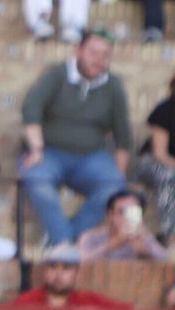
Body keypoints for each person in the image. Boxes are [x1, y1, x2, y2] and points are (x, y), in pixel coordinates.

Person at [19, 32, 131, 246]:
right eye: (93, 52)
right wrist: (36, 149)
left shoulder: (113, 85)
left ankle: (64, 239)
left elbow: (122, 133)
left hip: (91, 156)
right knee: (36, 179)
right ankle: (64, 242)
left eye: (105, 54)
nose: (98, 59)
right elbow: (31, 108)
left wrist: (120, 174)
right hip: (49, 152)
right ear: (78, 50)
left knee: (114, 186)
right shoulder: (57, 74)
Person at [10, 243, 133, 310]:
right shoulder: (26, 301)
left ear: (77, 273)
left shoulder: (90, 301)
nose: (58, 274)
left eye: (66, 268)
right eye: (53, 267)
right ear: (45, 271)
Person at [135, 74, 175, 238]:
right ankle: (170, 235)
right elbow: (160, 153)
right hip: (153, 163)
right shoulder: (165, 110)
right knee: (170, 178)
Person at [77, 189, 167, 262]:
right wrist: (112, 245)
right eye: (121, 212)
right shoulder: (91, 237)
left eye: (132, 213)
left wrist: (146, 253)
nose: (126, 218)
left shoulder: (144, 237)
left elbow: (167, 264)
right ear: (110, 214)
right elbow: (80, 264)